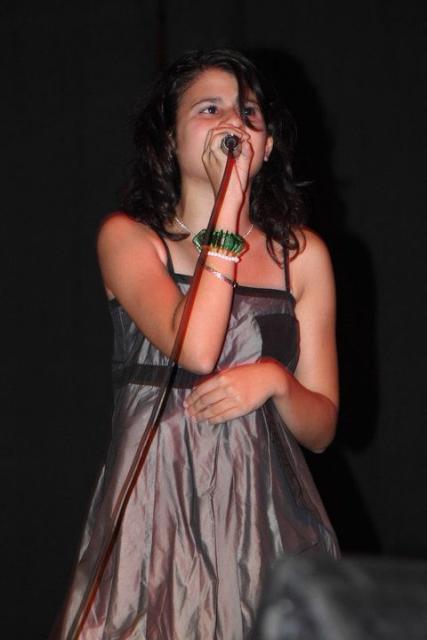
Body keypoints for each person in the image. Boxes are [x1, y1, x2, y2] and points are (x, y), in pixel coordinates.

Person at [52, 48, 340, 640]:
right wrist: (229, 205)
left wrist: (275, 381)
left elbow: (321, 429)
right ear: (169, 140)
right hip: (158, 514)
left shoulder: (301, 257)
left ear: (267, 146)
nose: (233, 122)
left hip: (264, 520)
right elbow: (197, 349)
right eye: (210, 109)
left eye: (248, 112)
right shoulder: (130, 240)